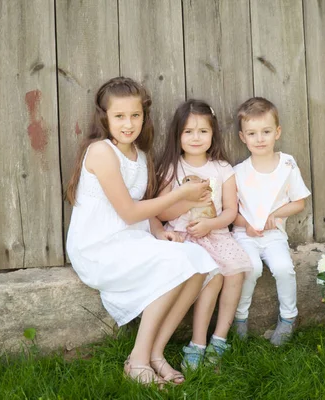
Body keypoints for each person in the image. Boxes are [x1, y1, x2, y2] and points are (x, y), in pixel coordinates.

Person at [65, 77, 218, 386]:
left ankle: (156, 354)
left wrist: (159, 229)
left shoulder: (141, 155)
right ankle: (136, 360)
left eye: (135, 115)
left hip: (131, 239)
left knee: (200, 263)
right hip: (98, 247)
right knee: (173, 264)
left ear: (144, 116)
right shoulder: (101, 152)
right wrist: (180, 196)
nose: (128, 123)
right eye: (119, 116)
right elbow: (129, 211)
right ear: (105, 117)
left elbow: (142, 207)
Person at [155, 100, 252, 369]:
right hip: (183, 236)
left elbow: (231, 210)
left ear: (213, 134)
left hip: (216, 234)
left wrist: (211, 225)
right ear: (177, 135)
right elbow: (161, 212)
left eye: (202, 131)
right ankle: (197, 342)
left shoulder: (222, 169)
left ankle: (219, 339)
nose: (196, 138)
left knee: (236, 272)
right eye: (188, 132)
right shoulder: (172, 168)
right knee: (212, 277)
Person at [231, 97, 311, 346]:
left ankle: (288, 318)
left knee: (283, 268)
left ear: (277, 132)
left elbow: (299, 202)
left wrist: (274, 216)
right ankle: (239, 318)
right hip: (245, 234)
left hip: (274, 234)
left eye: (266, 132)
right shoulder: (238, 171)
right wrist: (246, 224)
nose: (260, 139)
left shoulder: (287, 165)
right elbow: (230, 211)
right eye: (252, 133)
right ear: (243, 137)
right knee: (250, 268)